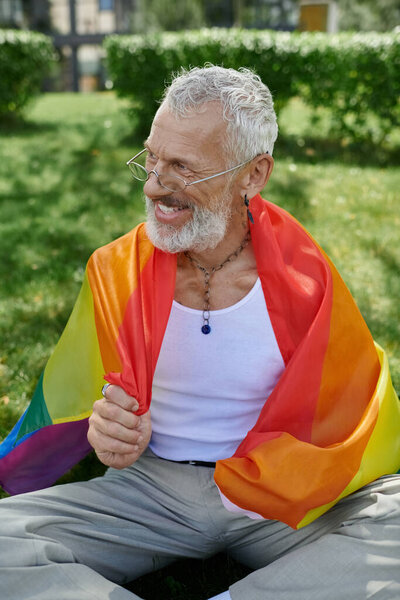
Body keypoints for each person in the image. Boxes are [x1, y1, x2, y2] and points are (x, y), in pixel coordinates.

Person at [0, 65, 399, 600]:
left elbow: (353, 406)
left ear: (254, 175)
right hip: (152, 489)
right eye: (153, 158)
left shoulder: (308, 281)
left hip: (277, 491)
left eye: (183, 168)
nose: (153, 185)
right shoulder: (115, 270)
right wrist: (108, 433)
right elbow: (91, 397)